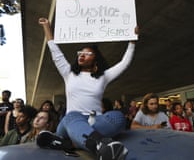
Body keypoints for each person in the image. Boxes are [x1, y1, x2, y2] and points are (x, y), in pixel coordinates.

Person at [37, 17, 137, 160]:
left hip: (95, 121)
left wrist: (132, 41)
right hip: (70, 122)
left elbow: (124, 63)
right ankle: (99, 146)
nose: (82, 55)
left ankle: (68, 142)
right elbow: (55, 52)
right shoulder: (68, 73)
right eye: (80, 53)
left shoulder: (104, 76)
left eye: (87, 53)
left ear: (95, 59)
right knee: (73, 116)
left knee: (118, 117)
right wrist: (46, 27)